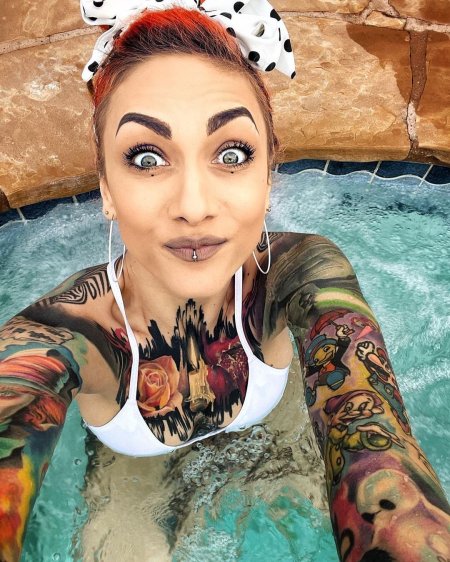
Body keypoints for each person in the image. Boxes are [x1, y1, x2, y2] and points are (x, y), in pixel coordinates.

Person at [1, 0, 449, 560]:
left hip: (278, 438)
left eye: (232, 154)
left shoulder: (297, 273)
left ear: (269, 175)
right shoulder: (67, 333)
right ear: (107, 188)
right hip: (133, 478)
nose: (194, 206)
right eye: (146, 158)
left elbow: (380, 452)